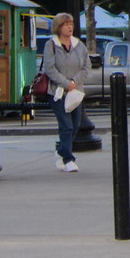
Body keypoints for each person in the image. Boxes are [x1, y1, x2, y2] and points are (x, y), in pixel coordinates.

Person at [42, 13, 90, 172]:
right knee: (66, 125)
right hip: (57, 92)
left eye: (71, 24)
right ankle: (69, 159)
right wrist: (65, 83)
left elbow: (86, 67)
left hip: (76, 91)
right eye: (66, 24)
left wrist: (75, 82)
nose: (70, 27)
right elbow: (49, 68)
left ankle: (62, 150)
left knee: (76, 124)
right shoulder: (51, 45)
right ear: (59, 27)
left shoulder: (79, 45)